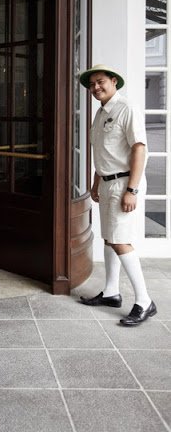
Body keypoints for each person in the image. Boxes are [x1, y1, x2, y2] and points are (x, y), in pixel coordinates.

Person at [78, 64, 156, 326]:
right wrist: (95, 182)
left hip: (124, 184)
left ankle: (145, 301)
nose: (95, 88)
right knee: (110, 239)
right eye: (91, 85)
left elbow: (139, 149)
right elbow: (102, 152)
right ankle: (111, 292)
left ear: (113, 81)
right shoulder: (100, 113)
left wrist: (132, 190)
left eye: (100, 82)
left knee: (121, 241)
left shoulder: (126, 108)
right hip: (107, 183)